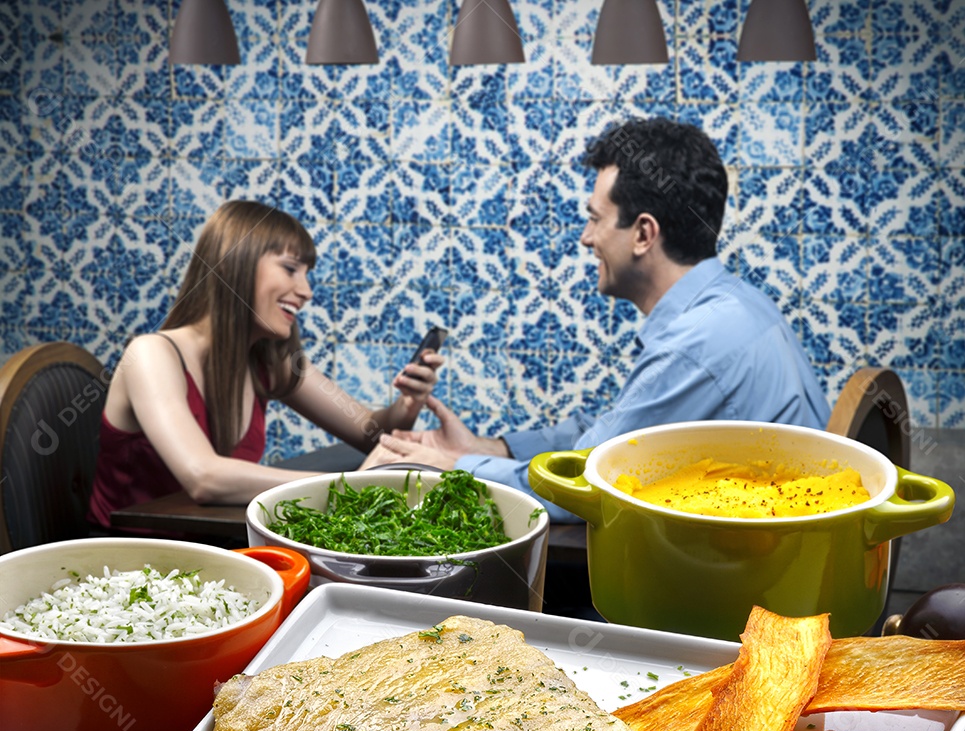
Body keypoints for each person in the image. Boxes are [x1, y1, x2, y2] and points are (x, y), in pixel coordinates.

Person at [363, 117, 831, 520]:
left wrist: (448, 468)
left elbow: (583, 489)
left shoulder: (698, 346)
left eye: (595, 219)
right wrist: (489, 449)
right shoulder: (736, 306)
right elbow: (620, 431)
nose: (587, 239)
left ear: (644, 233)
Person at [88, 200, 441, 530]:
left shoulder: (269, 362)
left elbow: (370, 433)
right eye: (290, 269)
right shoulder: (152, 354)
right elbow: (203, 478)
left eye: (306, 274)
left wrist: (407, 405)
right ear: (232, 264)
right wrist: (347, 486)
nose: (306, 291)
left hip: (213, 550)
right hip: (126, 565)